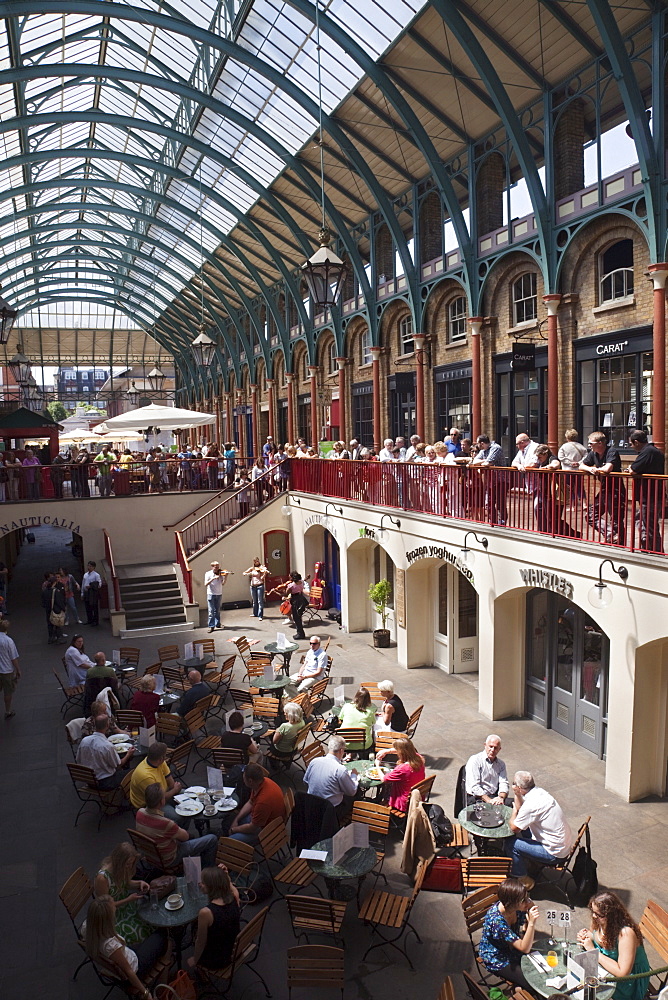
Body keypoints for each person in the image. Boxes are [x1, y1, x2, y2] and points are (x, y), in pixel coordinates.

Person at [84, 894, 169, 999]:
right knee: (162, 933)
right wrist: (146, 993)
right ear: (107, 919)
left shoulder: (87, 928)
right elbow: (129, 972)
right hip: (137, 967)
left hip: (128, 954)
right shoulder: (111, 945)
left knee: (149, 940)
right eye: (113, 910)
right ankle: (164, 982)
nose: (115, 909)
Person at [577, 891, 651, 1000]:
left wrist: (593, 951)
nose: (593, 916)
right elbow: (596, 937)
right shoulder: (598, 920)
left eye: (598, 914)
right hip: (606, 970)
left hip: (628, 981)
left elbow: (623, 973)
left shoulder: (625, 934)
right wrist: (586, 936)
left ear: (611, 915)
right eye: (592, 911)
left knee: (586, 989)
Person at [508, 771, 573, 887]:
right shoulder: (540, 793)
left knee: (511, 844)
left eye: (513, 783)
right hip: (562, 845)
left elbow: (514, 828)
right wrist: (517, 795)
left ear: (518, 787)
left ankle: (523, 879)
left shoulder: (531, 805)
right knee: (524, 828)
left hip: (554, 853)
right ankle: (528, 862)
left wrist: (514, 812)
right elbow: (522, 808)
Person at [479, 877, 540, 991]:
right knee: (533, 983)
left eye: (527, 897)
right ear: (512, 904)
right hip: (496, 957)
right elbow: (524, 948)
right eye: (523, 900)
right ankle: (519, 988)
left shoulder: (513, 908)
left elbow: (531, 906)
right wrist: (531, 924)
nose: (528, 902)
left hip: (513, 949)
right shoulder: (497, 922)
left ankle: (518, 987)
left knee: (540, 972)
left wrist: (528, 904)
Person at [136, 783, 218, 866]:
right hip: (169, 859)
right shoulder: (166, 823)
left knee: (188, 834)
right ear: (162, 801)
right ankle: (206, 868)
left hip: (150, 854)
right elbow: (185, 837)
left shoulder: (139, 813)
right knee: (212, 838)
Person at [94, 843, 153, 946]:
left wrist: (139, 883)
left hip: (126, 907)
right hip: (113, 915)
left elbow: (125, 883)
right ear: (119, 861)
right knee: (139, 929)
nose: (129, 866)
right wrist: (128, 900)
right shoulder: (102, 879)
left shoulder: (120, 869)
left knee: (150, 916)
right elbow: (105, 906)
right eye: (128, 864)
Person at [188, 866, 241, 973]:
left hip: (217, 960)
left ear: (212, 887)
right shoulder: (234, 896)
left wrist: (195, 959)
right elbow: (232, 887)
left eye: (203, 882)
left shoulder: (206, 913)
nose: (200, 884)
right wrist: (225, 876)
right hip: (233, 950)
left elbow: (200, 942)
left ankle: (203, 975)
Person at [580, 432, 627, 545]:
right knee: (591, 515)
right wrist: (590, 469)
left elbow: (608, 468)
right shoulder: (593, 453)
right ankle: (610, 534)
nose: (589, 445)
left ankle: (618, 542)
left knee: (616, 518)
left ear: (600, 443)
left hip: (616, 490)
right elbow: (581, 465)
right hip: (605, 489)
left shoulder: (612, 451)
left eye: (591, 443)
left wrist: (597, 469)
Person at [229, 763, 286, 844]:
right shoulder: (262, 783)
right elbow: (251, 802)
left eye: (243, 777)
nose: (243, 779)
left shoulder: (263, 802)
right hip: (262, 820)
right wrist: (236, 819)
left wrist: (233, 830)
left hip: (265, 830)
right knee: (232, 819)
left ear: (250, 781)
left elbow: (252, 827)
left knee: (230, 841)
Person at [304, 734, 359, 818]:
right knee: (356, 796)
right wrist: (354, 775)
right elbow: (352, 791)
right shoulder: (340, 769)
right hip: (331, 811)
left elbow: (305, 781)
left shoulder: (314, 761)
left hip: (311, 805)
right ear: (341, 751)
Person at [628, 429, 665, 552]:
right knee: (642, 520)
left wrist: (630, 468)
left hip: (650, 495)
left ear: (637, 442)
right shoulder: (653, 451)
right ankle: (647, 546)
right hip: (652, 494)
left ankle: (656, 551)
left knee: (650, 525)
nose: (631, 447)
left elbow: (634, 469)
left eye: (631, 444)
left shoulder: (648, 451)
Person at [130, 742, 183, 822]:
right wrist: (175, 790)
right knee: (178, 817)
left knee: (190, 797)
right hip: (150, 804)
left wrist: (174, 789)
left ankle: (180, 831)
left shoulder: (159, 762)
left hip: (163, 793)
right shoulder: (145, 776)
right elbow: (159, 799)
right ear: (161, 758)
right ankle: (179, 833)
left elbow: (171, 783)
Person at [77, 715, 135, 788]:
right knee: (135, 771)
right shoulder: (107, 746)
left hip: (89, 781)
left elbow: (78, 760)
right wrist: (129, 754)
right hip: (105, 783)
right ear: (107, 725)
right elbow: (118, 765)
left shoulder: (84, 741)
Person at [375, 736, 425, 812]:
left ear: (401, 752)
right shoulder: (419, 758)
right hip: (417, 796)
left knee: (386, 786)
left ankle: (379, 804)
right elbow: (407, 750)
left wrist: (377, 765)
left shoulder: (403, 769)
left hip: (403, 802)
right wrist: (387, 751)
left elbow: (384, 779)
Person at [472, 434, 508, 525]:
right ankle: (493, 522)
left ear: (482, 443)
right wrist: (484, 461)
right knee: (489, 503)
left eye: (478, 444)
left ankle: (502, 522)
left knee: (500, 503)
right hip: (490, 480)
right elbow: (474, 461)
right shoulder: (484, 450)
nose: (477, 446)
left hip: (500, 480)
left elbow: (487, 463)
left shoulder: (496, 448)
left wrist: (484, 461)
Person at [465, 735, 509, 805]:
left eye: (495, 748)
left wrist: (500, 797)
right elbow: (474, 787)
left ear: (499, 749)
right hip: (478, 798)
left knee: (515, 804)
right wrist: (489, 801)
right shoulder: (475, 760)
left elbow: (504, 783)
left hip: (494, 797)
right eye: (490, 746)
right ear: (485, 745)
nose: (492, 750)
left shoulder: (501, 764)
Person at [338, 686, 376, 756]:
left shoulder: (346, 706)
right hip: (363, 745)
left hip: (345, 743)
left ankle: (350, 755)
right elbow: (373, 723)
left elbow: (340, 718)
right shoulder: (370, 712)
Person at [0, 618, 20, 719]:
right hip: (6, 670)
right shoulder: (8, 641)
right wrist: (18, 669)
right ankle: (7, 710)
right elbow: (13, 657)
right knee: (8, 691)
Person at [42, 573, 67, 644]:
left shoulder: (45, 591)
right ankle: (59, 638)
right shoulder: (55, 591)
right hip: (56, 610)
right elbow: (59, 601)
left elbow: (43, 602)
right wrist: (63, 608)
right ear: (54, 582)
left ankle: (51, 638)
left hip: (48, 610)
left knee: (49, 624)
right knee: (57, 624)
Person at [204, 561, 228, 632]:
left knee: (217, 610)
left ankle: (218, 623)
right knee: (211, 611)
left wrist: (225, 577)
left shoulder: (221, 573)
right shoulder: (208, 573)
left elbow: (223, 583)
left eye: (218, 567)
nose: (217, 568)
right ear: (212, 567)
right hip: (211, 594)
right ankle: (211, 626)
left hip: (219, 593)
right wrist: (213, 578)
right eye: (216, 567)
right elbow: (205, 584)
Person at [284, 570, 308, 641]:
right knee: (299, 616)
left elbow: (286, 593)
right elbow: (303, 582)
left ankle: (300, 633)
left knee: (296, 617)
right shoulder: (301, 582)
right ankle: (301, 633)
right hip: (301, 599)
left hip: (295, 600)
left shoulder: (291, 585)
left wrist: (285, 589)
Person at [82, 560, 102, 626]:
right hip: (86, 592)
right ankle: (89, 619)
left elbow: (99, 584)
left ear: (94, 567)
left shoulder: (96, 575)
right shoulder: (85, 575)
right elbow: (83, 584)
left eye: (90, 566)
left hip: (93, 593)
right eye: (88, 565)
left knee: (94, 607)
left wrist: (91, 586)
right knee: (87, 607)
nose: (89, 567)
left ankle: (95, 621)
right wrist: (82, 592)